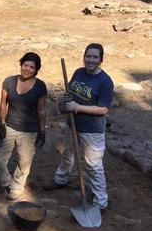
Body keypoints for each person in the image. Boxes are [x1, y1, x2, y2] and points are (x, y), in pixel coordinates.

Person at [44, 43, 114, 212]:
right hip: (72, 124)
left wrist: (76, 107)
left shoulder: (105, 81)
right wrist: (67, 99)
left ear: (101, 59)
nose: (91, 60)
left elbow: (104, 109)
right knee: (67, 155)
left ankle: (101, 201)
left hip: (92, 130)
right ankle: (61, 179)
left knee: (93, 164)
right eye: (88, 56)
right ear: (84, 57)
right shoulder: (78, 72)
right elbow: (72, 94)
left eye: (95, 57)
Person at [0, 52, 47, 201]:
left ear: (36, 69)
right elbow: (3, 103)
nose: (27, 69)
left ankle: (16, 187)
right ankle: (5, 182)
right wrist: (1, 123)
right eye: (25, 65)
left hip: (30, 130)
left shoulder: (40, 86)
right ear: (21, 65)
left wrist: (42, 131)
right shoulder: (9, 81)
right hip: (10, 125)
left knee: (24, 162)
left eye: (32, 67)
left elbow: (41, 110)